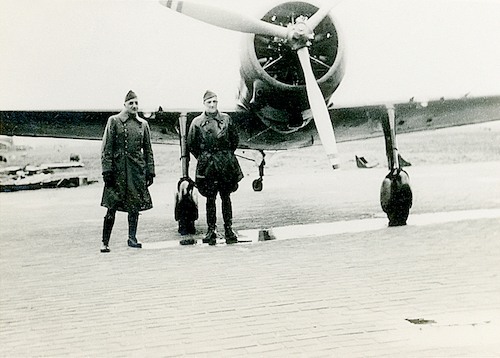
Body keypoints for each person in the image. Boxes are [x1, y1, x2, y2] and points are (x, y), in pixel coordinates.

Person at [100, 90, 155, 252]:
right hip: (117, 172)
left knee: (134, 207)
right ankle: (105, 242)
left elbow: (148, 150)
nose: (134, 106)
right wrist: (107, 171)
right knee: (111, 206)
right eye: (131, 103)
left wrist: (150, 171)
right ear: (124, 105)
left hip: (136, 171)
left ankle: (132, 238)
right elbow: (106, 148)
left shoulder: (143, 125)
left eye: (136, 103)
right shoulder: (114, 121)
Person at [187, 90, 243, 245]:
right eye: (209, 102)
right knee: (210, 198)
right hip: (208, 165)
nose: (212, 105)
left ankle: (228, 229)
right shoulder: (197, 122)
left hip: (225, 164)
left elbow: (234, 140)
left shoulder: (226, 119)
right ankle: (211, 230)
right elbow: (192, 144)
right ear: (204, 104)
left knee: (226, 197)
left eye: (214, 102)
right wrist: (205, 157)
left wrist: (224, 155)